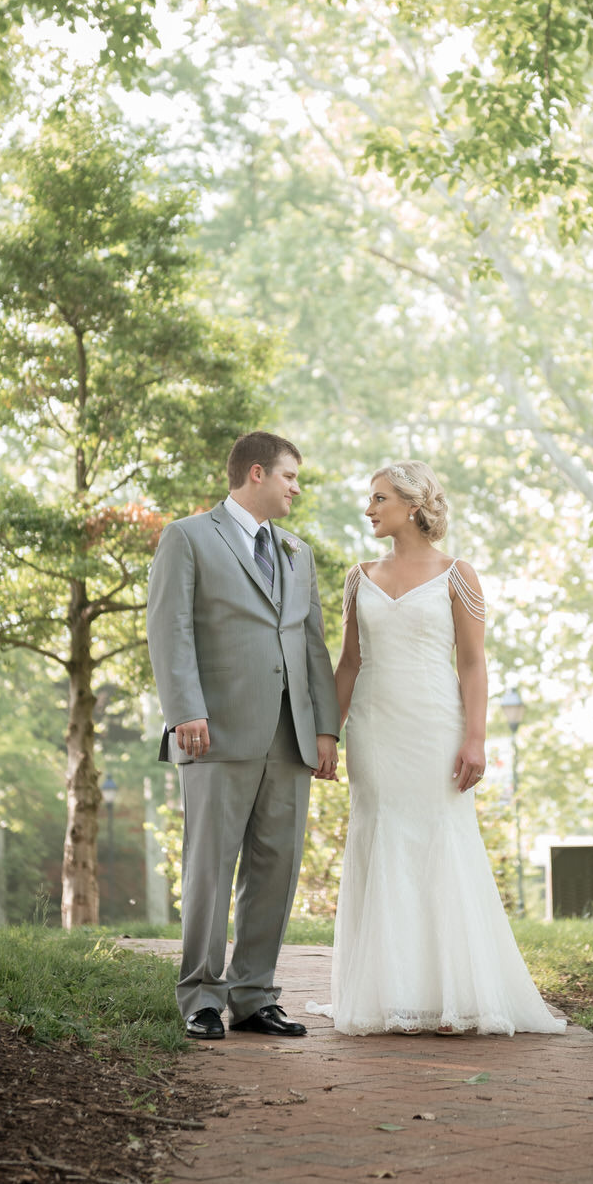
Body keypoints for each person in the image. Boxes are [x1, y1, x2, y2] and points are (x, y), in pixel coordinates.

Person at [327, 461, 565, 1037]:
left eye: (378, 497)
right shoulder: (358, 577)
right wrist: (328, 734)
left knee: (439, 844)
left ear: (412, 504)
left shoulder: (459, 574)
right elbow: (350, 662)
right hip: (375, 730)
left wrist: (476, 737)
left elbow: (473, 662)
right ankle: (392, 997)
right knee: (380, 840)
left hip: (436, 727)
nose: (369, 509)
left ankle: (452, 994)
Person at [147, 431, 340, 1041]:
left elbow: (311, 646)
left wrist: (326, 729)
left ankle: (255, 995)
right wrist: (185, 710)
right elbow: (169, 627)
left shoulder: (296, 552)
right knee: (209, 865)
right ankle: (201, 996)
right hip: (214, 732)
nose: (296, 488)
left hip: (289, 739)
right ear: (256, 473)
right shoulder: (188, 537)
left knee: (275, 868)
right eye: (290, 476)